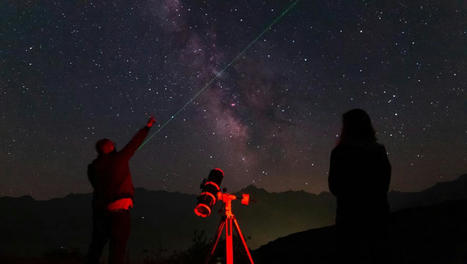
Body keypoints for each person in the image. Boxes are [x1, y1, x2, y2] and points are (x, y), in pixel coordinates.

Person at [86, 116, 156, 264]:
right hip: (119, 212)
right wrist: (147, 127)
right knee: (117, 249)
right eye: (112, 144)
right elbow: (134, 144)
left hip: (100, 212)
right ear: (108, 148)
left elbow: (97, 186)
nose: (115, 145)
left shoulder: (92, 167)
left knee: (96, 246)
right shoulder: (118, 159)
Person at [328, 109, 391, 263]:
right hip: (378, 216)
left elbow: (334, 186)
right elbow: (384, 184)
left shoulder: (340, 152)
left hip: (349, 219)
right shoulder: (378, 151)